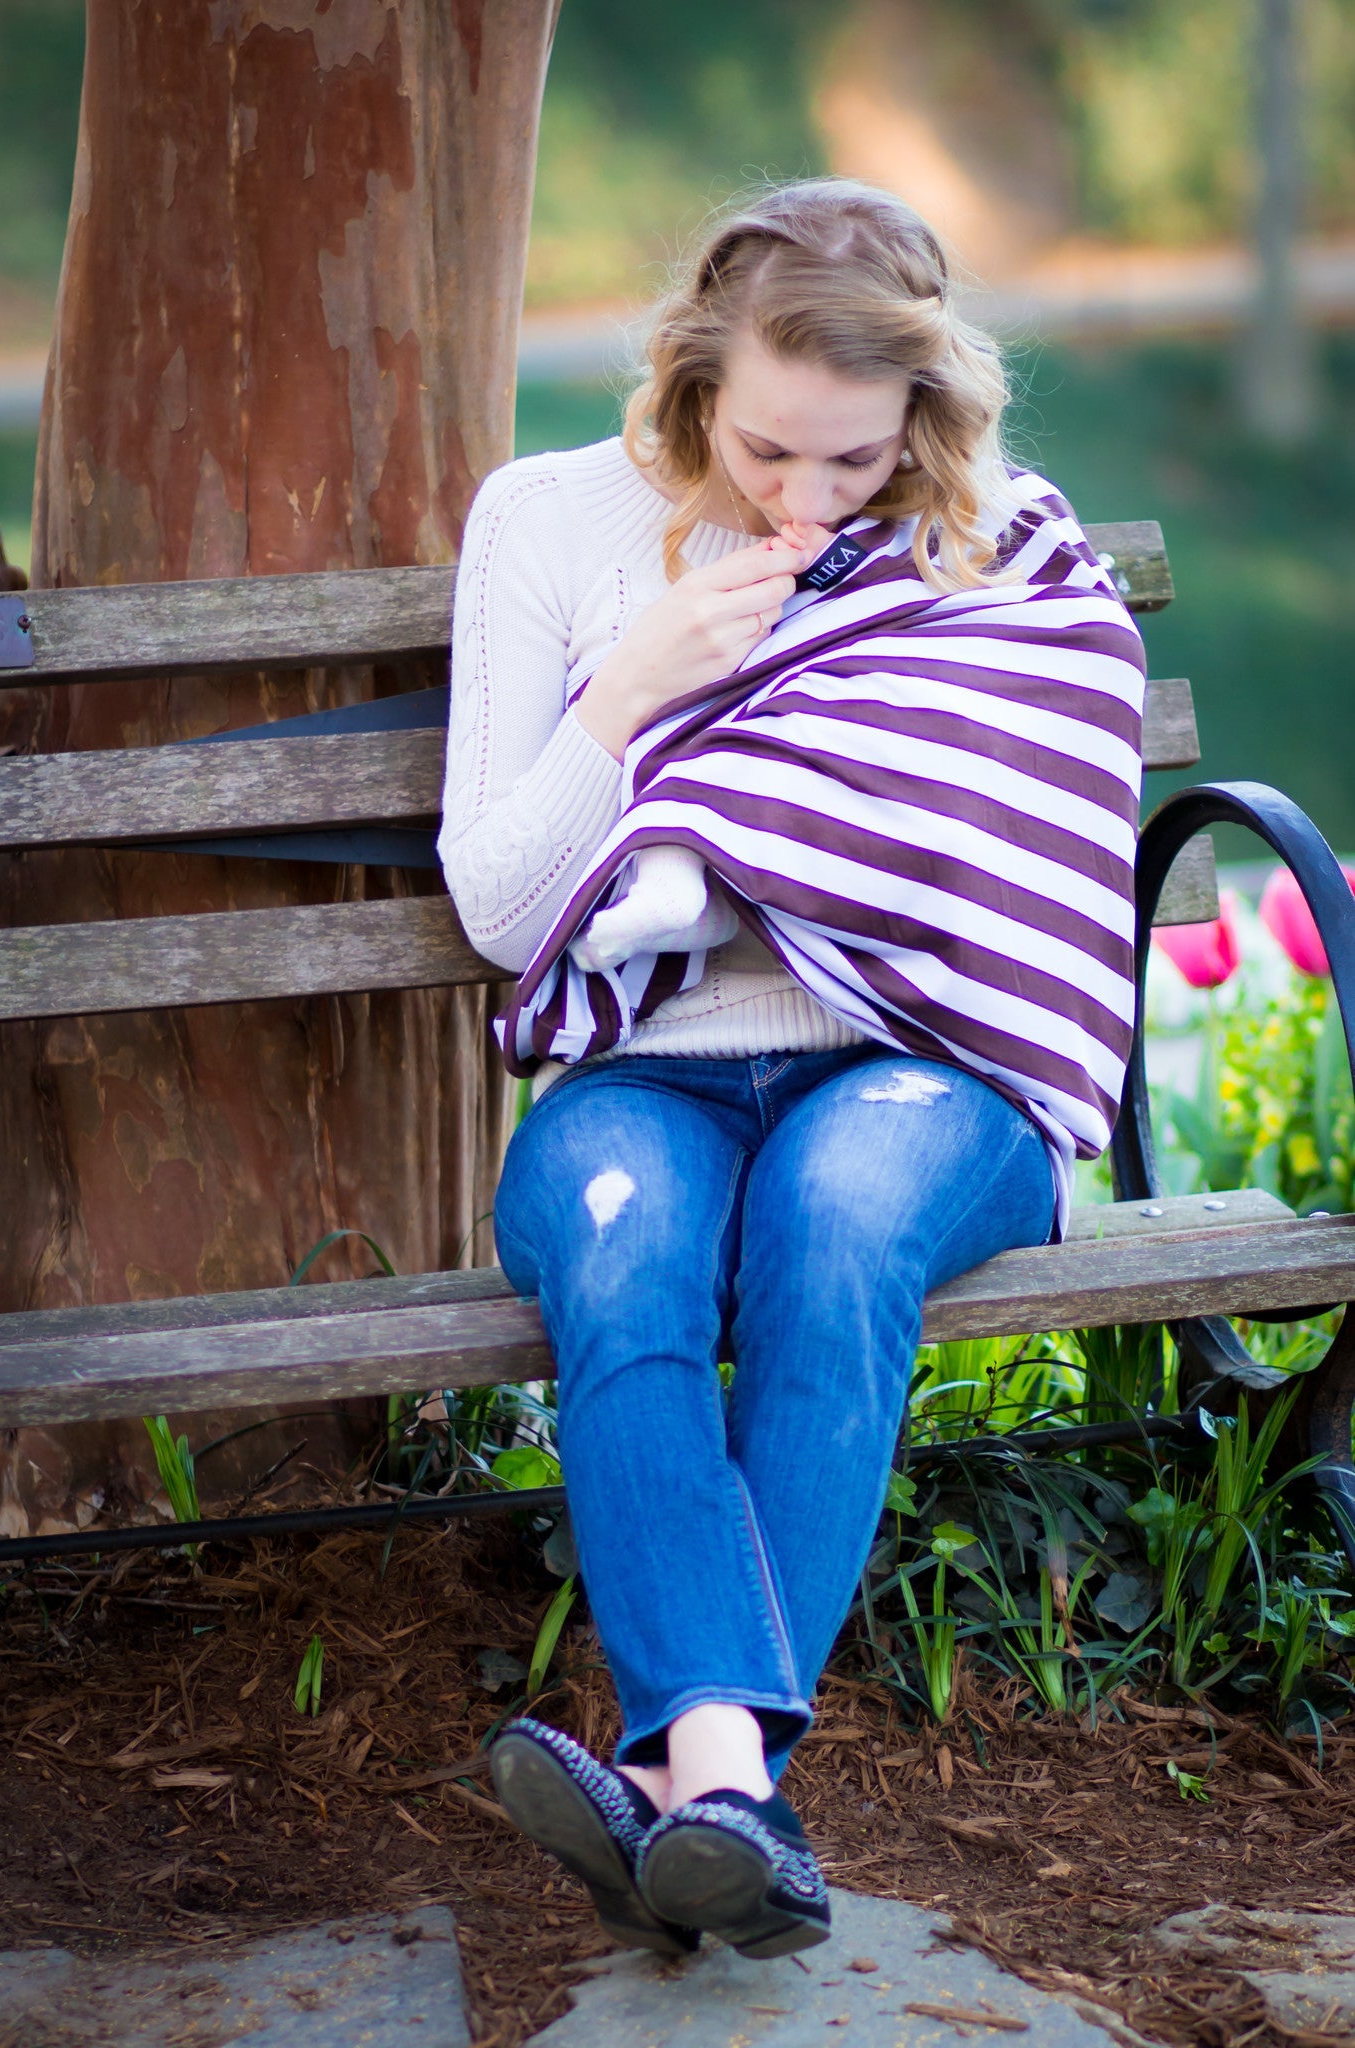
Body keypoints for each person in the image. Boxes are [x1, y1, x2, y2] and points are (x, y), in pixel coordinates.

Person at [439, 178, 1144, 1962]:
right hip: (645, 1076)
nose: (809, 497)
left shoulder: (992, 543)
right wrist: (636, 694)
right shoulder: (544, 524)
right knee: (621, 1253)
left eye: (855, 459)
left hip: (927, 1068)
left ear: (924, 416)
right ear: (690, 372)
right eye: (769, 450)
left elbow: (1039, 848)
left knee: (830, 1227)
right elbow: (503, 912)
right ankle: (727, 1792)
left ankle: (694, 1786)